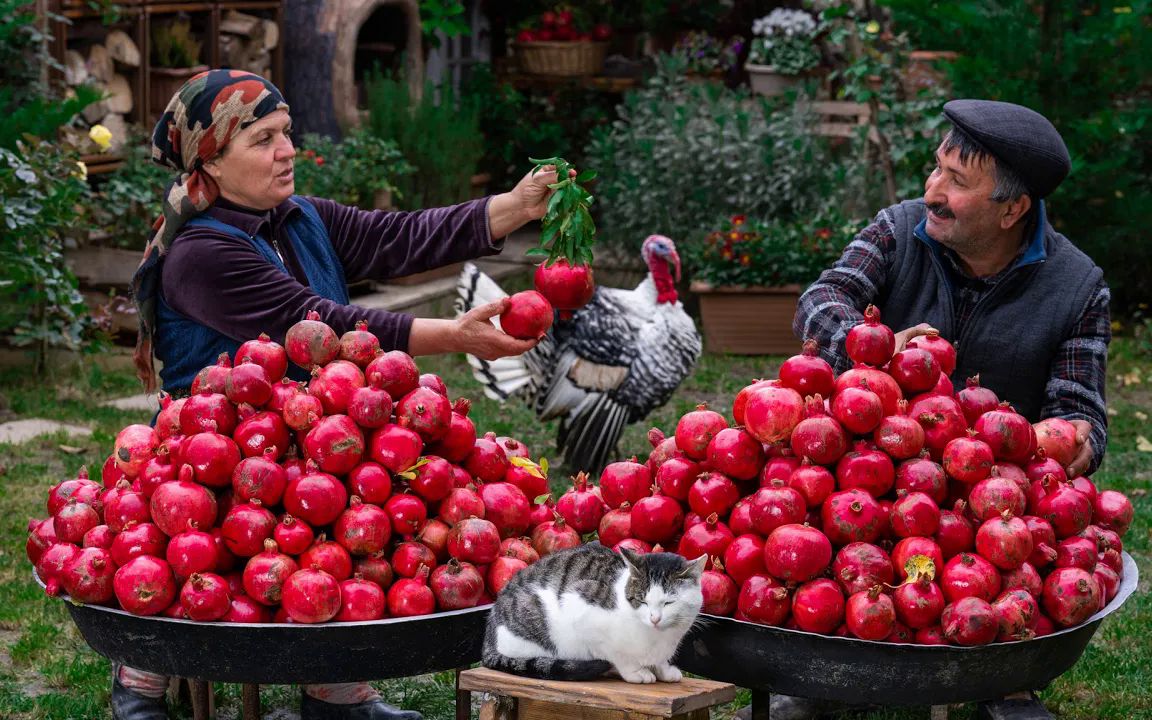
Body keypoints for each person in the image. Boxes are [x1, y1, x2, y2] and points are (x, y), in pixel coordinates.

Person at [118, 69, 559, 720]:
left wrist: (516, 207)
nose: (288, 150)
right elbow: (319, 324)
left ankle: (337, 696)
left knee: (351, 507)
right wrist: (456, 335)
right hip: (216, 456)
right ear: (209, 160)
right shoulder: (202, 254)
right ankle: (141, 688)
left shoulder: (296, 219)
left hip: (303, 435)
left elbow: (398, 238)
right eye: (264, 138)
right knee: (194, 537)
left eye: (287, 133)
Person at [776, 99, 1111, 719]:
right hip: (864, 481)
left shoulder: (1077, 287)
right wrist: (869, 352)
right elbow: (823, 298)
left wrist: (1050, 440)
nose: (931, 191)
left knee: (1007, 573)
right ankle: (823, 669)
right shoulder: (899, 229)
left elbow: (1083, 416)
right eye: (936, 170)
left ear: (1013, 208)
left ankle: (999, 667)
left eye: (956, 182)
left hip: (986, 508)